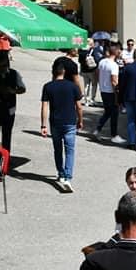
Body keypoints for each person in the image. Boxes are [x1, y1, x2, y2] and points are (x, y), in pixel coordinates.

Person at [40, 61, 83, 192]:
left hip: (55, 122)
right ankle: (68, 177)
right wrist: (80, 120)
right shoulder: (73, 86)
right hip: (70, 122)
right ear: (64, 72)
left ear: (53, 72)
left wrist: (43, 125)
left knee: (57, 150)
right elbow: (79, 106)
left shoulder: (48, 86)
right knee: (70, 150)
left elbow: (44, 106)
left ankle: (61, 173)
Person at [94, 45, 123, 143]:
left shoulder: (102, 62)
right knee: (114, 113)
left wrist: (101, 83)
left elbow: (97, 73)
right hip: (111, 92)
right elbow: (114, 81)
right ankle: (114, 135)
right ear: (116, 53)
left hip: (103, 90)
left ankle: (97, 130)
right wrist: (117, 95)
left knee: (107, 112)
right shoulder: (114, 65)